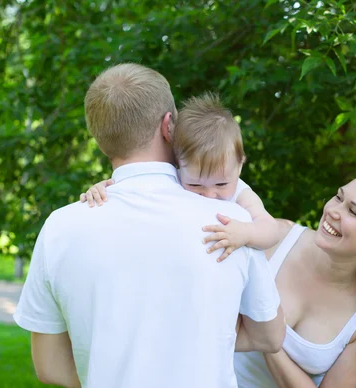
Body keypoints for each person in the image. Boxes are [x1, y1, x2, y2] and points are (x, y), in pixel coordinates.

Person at [13, 63, 285, 388]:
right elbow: (270, 337)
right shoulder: (230, 221)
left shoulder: (60, 226)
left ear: (99, 140)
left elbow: (49, 366)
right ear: (169, 125)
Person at [233, 166, 356, 388]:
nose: (333, 211)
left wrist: (270, 342)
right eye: (339, 197)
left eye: (353, 212)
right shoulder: (273, 239)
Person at [81, 93, 282, 262]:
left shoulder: (241, 192)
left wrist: (246, 233)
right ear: (178, 165)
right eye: (195, 184)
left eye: (221, 183)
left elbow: (271, 229)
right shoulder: (173, 180)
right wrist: (103, 188)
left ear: (239, 165)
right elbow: (133, 186)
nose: (210, 194)